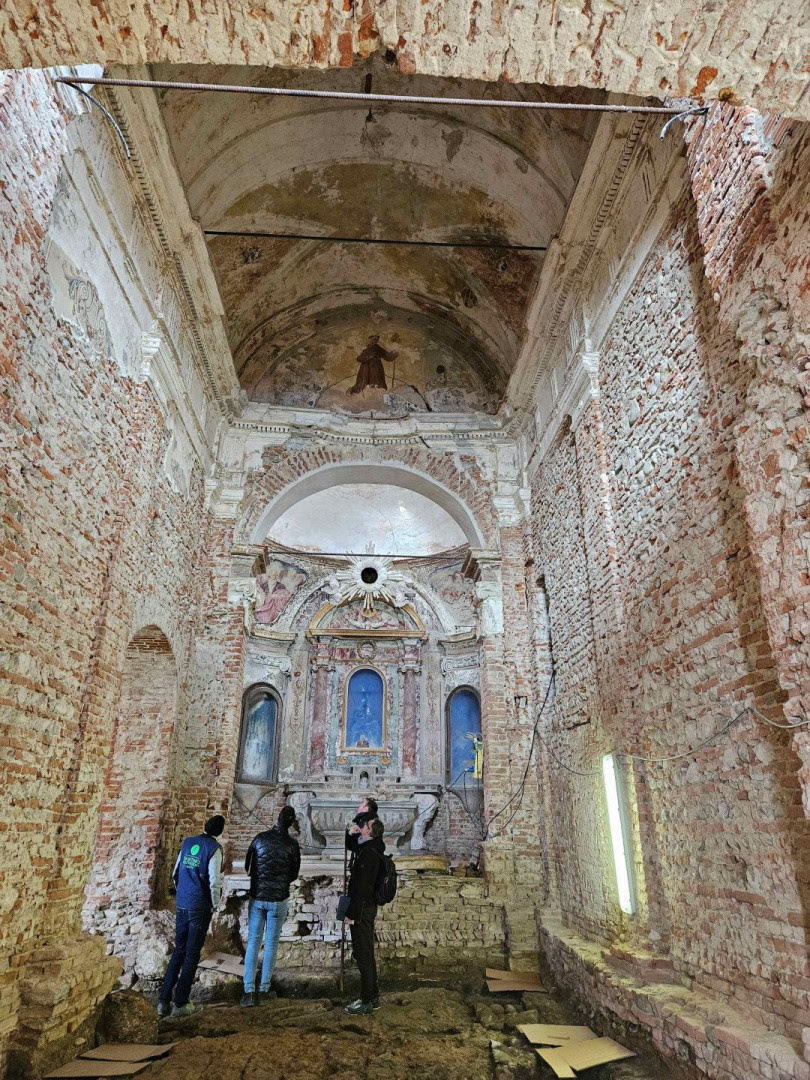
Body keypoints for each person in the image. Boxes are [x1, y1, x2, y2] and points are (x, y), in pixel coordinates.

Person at [158, 814, 225, 1018]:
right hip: (199, 906)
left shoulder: (188, 843)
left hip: (182, 903)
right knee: (191, 954)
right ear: (219, 832)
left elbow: (176, 872)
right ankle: (180, 1004)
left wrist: (183, 892)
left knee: (178, 951)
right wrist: (215, 904)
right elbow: (214, 881)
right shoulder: (214, 849)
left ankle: (162, 1001)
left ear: (205, 826)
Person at [241, 806, 301, 1007]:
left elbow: (248, 866)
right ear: (291, 823)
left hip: (257, 897)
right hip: (278, 899)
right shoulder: (292, 844)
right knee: (271, 944)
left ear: (277, 818)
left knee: (253, 942)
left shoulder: (259, 838)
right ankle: (264, 989)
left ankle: (249, 991)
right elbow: (294, 873)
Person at [344, 816, 385, 1014]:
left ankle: (367, 1001)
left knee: (363, 955)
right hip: (365, 907)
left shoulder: (369, 854)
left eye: (365, 825)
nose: (362, 826)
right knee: (365, 953)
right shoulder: (372, 848)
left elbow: (362, 888)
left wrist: (351, 914)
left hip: (361, 909)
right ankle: (372, 997)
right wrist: (350, 834)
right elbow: (353, 846)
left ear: (369, 831)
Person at [345, 796, 378, 864]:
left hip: (366, 860)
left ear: (366, 809)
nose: (359, 805)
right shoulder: (363, 819)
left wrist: (351, 832)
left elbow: (354, 845)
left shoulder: (367, 821)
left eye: (362, 803)